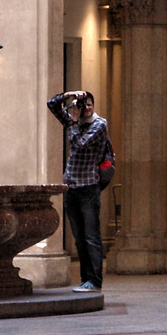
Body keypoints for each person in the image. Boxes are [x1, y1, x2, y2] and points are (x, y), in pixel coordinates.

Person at [46, 90, 114, 293]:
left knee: (91, 237)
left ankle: (95, 281)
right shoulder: (74, 121)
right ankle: (86, 280)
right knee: (79, 237)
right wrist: (67, 95)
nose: (87, 108)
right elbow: (51, 104)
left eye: (90, 104)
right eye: (83, 104)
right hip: (71, 187)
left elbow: (78, 144)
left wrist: (74, 122)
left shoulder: (99, 125)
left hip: (88, 187)